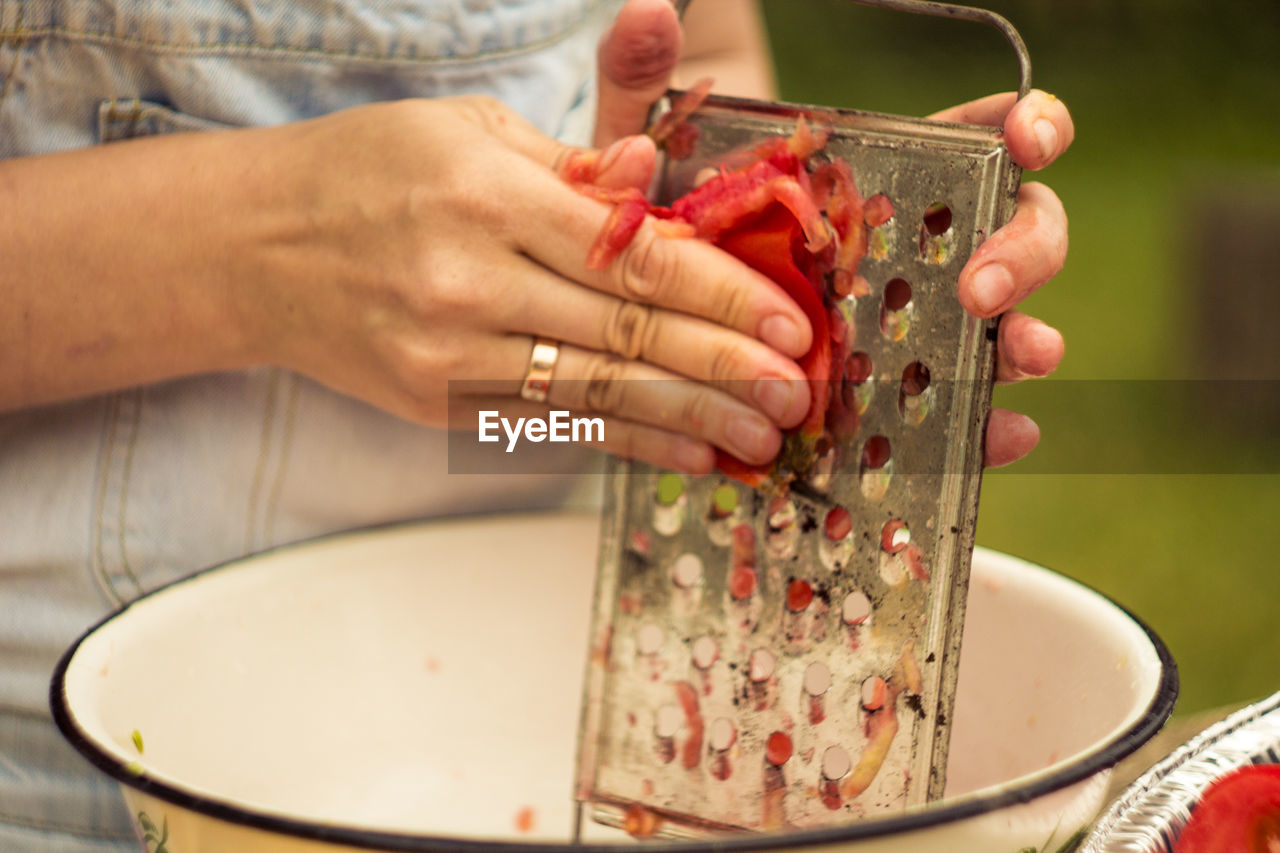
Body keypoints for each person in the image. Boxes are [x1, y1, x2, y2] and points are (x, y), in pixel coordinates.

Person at [0, 0, 1072, 849]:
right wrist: (265, 252)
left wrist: (807, 261)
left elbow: (707, 41)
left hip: (526, 663)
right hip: (52, 779)